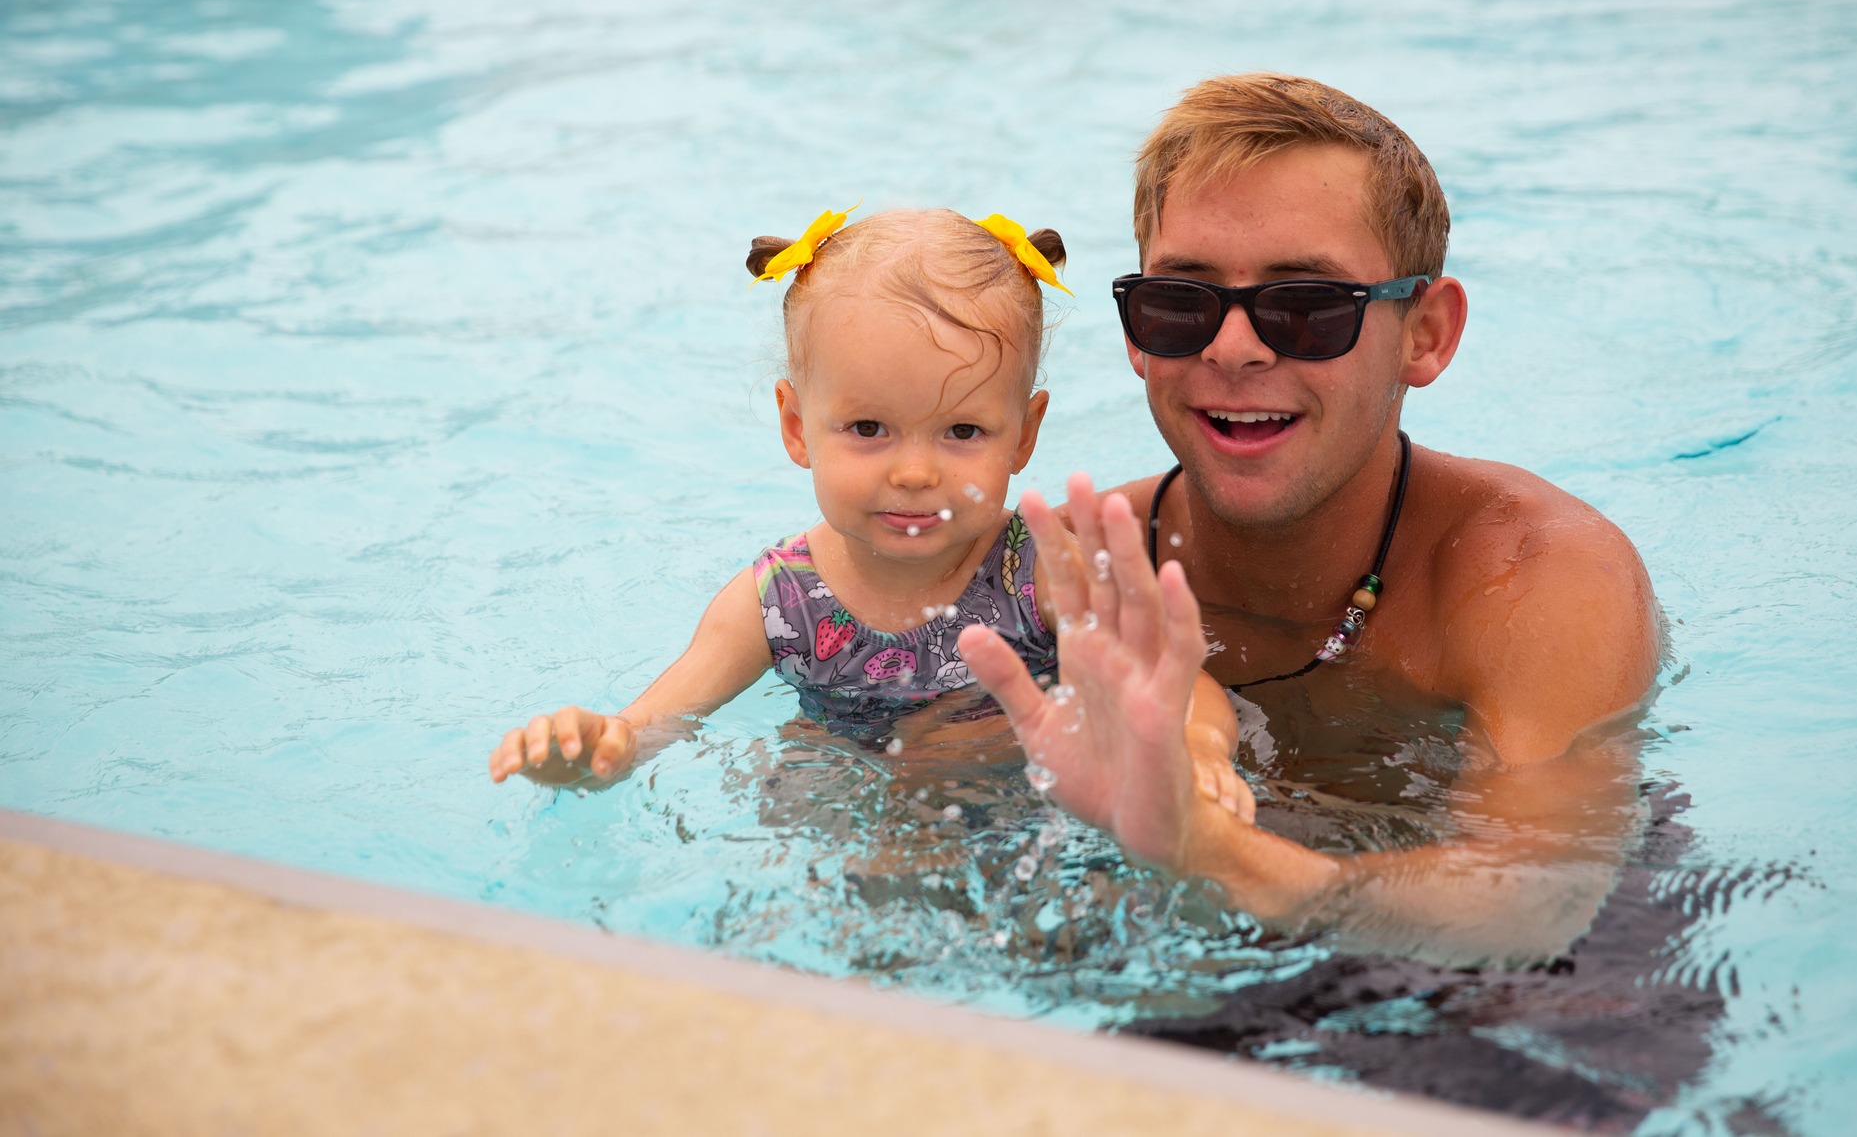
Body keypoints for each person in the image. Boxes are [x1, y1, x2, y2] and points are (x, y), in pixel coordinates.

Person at [959, 75, 1663, 966]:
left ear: (1426, 334)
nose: (1235, 347)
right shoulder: (1067, 573)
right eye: (1182, 301)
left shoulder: (1537, 580)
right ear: (1136, 334)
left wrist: (1212, 850)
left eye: (1307, 306)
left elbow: (1533, 902)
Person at [488, 206, 1250, 813]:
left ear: (1023, 433)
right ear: (795, 426)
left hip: (1019, 805)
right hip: (843, 808)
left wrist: (1203, 754)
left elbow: (1182, 685)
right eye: (867, 429)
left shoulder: (1041, 574)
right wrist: (594, 749)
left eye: (962, 431)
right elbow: (651, 726)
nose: (914, 472)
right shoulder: (777, 602)